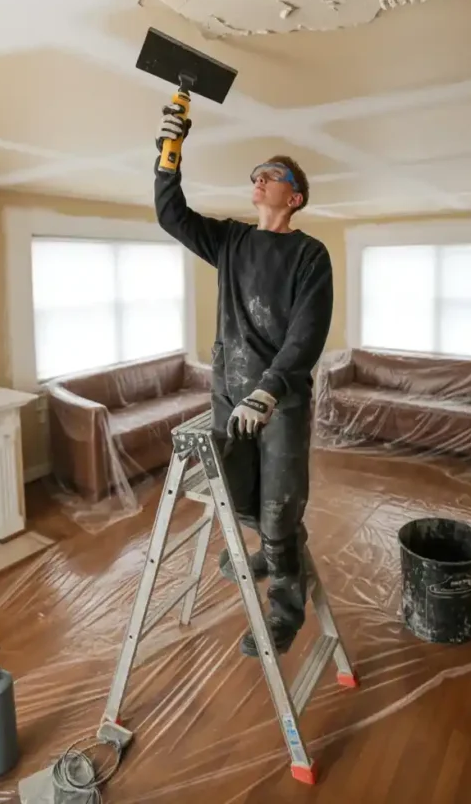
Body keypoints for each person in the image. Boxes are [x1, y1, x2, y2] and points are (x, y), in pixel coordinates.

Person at [154, 105, 333, 657]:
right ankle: (268, 552)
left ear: (294, 196)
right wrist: (169, 153)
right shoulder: (230, 242)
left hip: (278, 403)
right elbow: (171, 215)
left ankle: (285, 609)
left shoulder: (309, 255)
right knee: (240, 498)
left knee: (279, 507)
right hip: (229, 394)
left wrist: (270, 389)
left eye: (271, 174)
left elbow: (306, 334)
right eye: (256, 173)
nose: (259, 179)